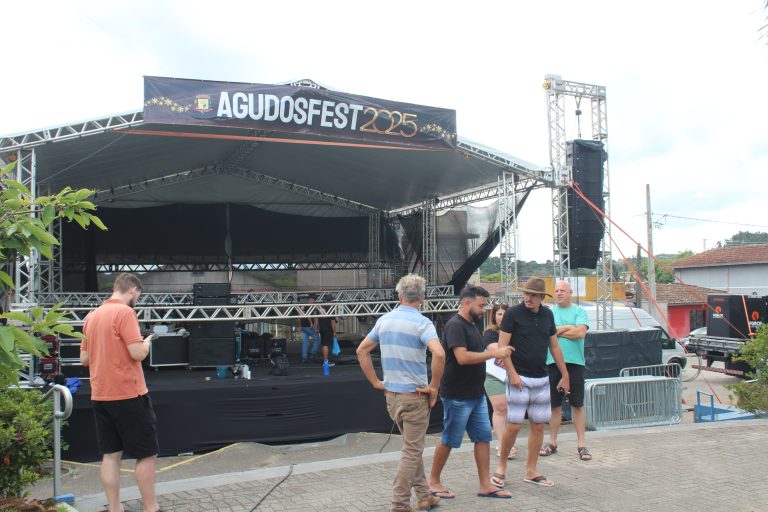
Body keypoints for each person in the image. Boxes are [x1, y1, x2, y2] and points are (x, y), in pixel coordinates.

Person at [356, 274, 446, 512]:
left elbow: (361, 351)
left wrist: (376, 381)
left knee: (411, 447)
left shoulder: (383, 321)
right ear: (422, 297)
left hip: (392, 397)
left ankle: (425, 496)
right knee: (411, 451)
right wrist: (434, 386)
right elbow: (439, 354)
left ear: (399, 296)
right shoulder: (423, 323)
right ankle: (399, 504)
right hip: (415, 397)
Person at [80, 273, 159, 512]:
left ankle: (115, 508)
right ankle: (150, 508)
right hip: (128, 394)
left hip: (101, 395)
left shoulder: (91, 317)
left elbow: (84, 359)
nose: (137, 299)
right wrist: (146, 343)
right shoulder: (125, 312)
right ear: (133, 290)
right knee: (147, 454)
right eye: (139, 295)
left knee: (110, 455)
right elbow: (137, 353)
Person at [428, 286, 513, 500]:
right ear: (467, 303)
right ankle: (433, 482)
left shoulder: (471, 325)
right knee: (449, 439)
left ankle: (485, 484)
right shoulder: (455, 325)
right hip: (458, 395)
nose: (484, 310)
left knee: (483, 437)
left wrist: (491, 355)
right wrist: (493, 353)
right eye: (481, 305)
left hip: (476, 393)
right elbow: (462, 358)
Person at [493, 276, 569, 489]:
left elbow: (554, 346)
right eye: (526, 293)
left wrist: (565, 374)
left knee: (537, 426)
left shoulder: (548, 314)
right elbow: (502, 346)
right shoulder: (512, 314)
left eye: (533, 295)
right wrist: (513, 374)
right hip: (519, 377)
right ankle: (501, 467)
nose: (528, 297)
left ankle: (531, 470)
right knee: (514, 425)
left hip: (541, 377)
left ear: (541, 297)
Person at [539, 280, 592, 461]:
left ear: (570, 292)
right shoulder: (548, 312)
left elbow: (580, 333)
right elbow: (547, 333)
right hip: (552, 363)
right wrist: (569, 328)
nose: (559, 293)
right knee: (555, 405)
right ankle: (552, 442)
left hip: (575, 363)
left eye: (563, 290)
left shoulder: (580, 311)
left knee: (577, 404)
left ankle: (582, 445)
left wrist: (556, 331)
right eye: (556, 290)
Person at [482, 303, 517, 460]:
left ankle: (508, 443)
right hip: (493, 376)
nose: (502, 317)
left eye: (505, 314)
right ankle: (503, 445)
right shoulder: (489, 333)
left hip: (513, 376)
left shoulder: (517, 332)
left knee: (510, 411)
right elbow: (500, 352)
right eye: (499, 314)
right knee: (500, 409)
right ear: (494, 316)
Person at [298, 294, 319, 363]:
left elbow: (299, 317)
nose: (314, 301)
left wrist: (299, 326)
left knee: (305, 342)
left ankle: (304, 357)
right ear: (310, 299)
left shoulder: (303, 306)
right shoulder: (307, 306)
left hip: (303, 326)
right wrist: (311, 323)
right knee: (318, 338)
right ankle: (313, 353)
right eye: (314, 300)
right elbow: (306, 315)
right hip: (308, 326)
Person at [317, 294, 337, 367]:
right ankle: (326, 361)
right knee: (326, 345)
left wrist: (318, 328)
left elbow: (317, 319)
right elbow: (333, 322)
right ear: (331, 300)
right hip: (328, 328)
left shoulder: (320, 307)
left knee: (324, 345)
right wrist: (334, 332)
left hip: (322, 328)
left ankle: (325, 360)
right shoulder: (331, 308)